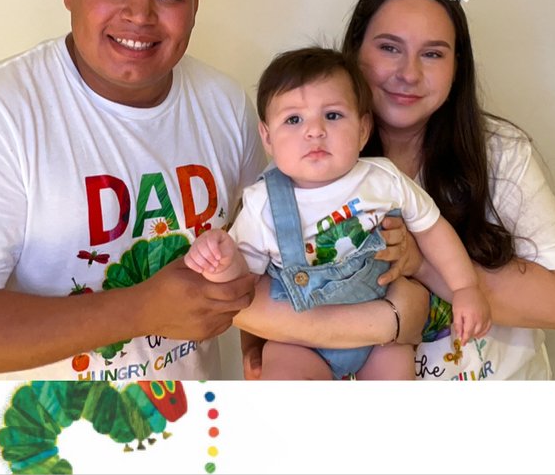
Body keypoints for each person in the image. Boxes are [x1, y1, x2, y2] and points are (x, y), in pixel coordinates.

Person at [0, 0, 428, 380]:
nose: (139, 15)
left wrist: (389, 251)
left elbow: (274, 245)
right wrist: (136, 309)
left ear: (194, 4)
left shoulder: (224, 103)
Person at [343, 0, 555, 379]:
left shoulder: (501, 154)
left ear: (457, 67)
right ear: (354, 51)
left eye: (433, 53)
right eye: (389, 47)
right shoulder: (313, 152)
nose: (408, 73)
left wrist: (422, 262)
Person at [191, 47, 486, 380]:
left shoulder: (383, 180)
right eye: (293, 119)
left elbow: (433, 229)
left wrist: (464, 288)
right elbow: (244, 280)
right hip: (298, 340)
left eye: (332, 116)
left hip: (380, 340)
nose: (314, 130)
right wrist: (220, 260)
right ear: (268, 137)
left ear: (363, 130)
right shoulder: (262, 203)